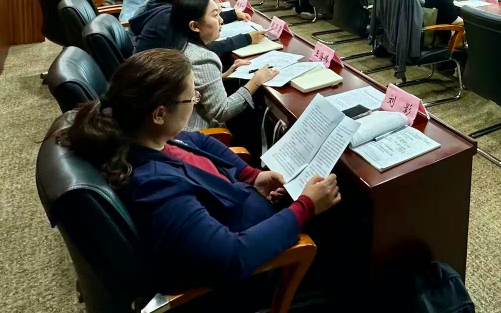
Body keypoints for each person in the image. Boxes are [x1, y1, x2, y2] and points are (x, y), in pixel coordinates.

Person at [54, 49, 341, 295]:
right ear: (159, 114)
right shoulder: (155, 186)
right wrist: (305, 207)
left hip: (246, 210)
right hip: (257, 270)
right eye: (191, 98)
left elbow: (199, 142)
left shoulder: (146, 136)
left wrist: (250, 176)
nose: (196, 100)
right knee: (340, 238)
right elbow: (231, 257)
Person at [170, 0, 275, 130]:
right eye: (215, 15)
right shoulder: (202, 57)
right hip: (197, 133)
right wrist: (256, 81)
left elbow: (195, 84)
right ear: (194, 26)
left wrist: (223, 75)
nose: (221, 20)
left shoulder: (179, 43)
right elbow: (222, 111)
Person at [131, 0, 263, 55]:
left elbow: (199, 17)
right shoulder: (168, 16)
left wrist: (233, 14)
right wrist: (246, 38)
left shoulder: (165, 7)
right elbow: (198, 49)